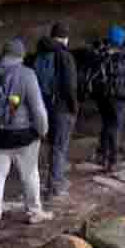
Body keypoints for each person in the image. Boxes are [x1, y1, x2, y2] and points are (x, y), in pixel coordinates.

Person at [0, 37, 51, 237]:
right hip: (23, 135)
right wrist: (42, 131)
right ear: (21, 55)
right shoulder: (27, 74)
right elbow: (38, 110)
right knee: (29, 174)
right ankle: (34, 211)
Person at [35, 22, 79, 199]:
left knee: (52, 145)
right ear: (65, 38)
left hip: (45, 105)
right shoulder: (64, 56)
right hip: (61, 107)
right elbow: (69, 85)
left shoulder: (40, 55)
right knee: (60, 146)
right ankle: (55, 185)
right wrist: (74, 106)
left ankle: (53, 180)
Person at [88, 26, 125, 172]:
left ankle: (102, 155)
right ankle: (112, 160)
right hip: (117, 95)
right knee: (115, 126)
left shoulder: (99, 52)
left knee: (106, 124)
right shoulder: (121, 55)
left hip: (101, 95)